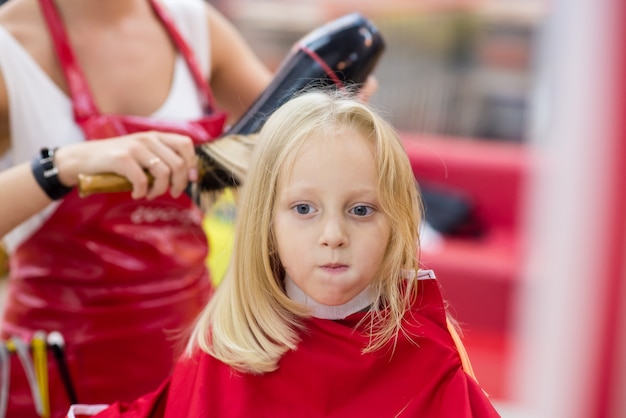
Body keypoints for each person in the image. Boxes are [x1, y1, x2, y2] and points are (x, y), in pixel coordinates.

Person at [68, 90, 501, 418]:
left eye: (361, 210)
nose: (333, 235)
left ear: (398, 222)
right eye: (304, 209)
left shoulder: (428, 355)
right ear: (266, 223)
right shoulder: (228, 350)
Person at [0, 0, 273, 416]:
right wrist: (63, 165)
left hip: (192, 360)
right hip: (56, 374)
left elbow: (286, 149)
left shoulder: (195, 26)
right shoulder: (11, 46)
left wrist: (332, 107)